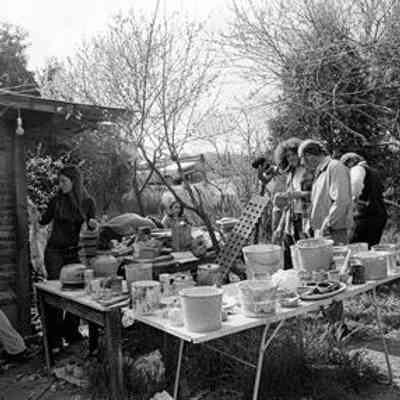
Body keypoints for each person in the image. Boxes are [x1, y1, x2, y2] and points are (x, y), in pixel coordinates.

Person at [36, 165, 97, 352]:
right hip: (54, 252)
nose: (60, 184)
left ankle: (70, 332)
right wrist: (34, 216)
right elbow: (43, 221)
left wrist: (93, 224)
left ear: (74, 181)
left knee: (77, 291)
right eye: (59, 181)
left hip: (73, 253)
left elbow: (92, 224)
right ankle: (54, 340)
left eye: (64, 181)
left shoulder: (87, 202)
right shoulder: (56, 201)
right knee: (56, 294)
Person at [298, 140, 353, 245]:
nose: (302, 163)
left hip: (334, 231)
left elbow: (341, 200)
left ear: (309, 156)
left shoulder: (335, 167)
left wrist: (327, 224)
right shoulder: (320, 171)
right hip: (323, 232)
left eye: (302, 158)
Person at [272, 138, 313, 268]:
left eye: (293, 154)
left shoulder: (310, 171)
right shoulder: (291, 173)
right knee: (288, 257)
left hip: (306, 219)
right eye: (288, 156)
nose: (291, 158)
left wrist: (296, 194)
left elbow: (316, 194)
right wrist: (280, 226)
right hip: (291, 221)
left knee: (306, 258)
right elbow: (288, 204)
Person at [340, 152, 387, 248]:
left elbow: (356, 183)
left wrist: (352, 198)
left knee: (354, 247)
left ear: (351, 162)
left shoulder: (357, 168)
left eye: (345, 166)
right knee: (371, 248)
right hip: (379, 215)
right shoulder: (374, 172)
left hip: (364, 216)